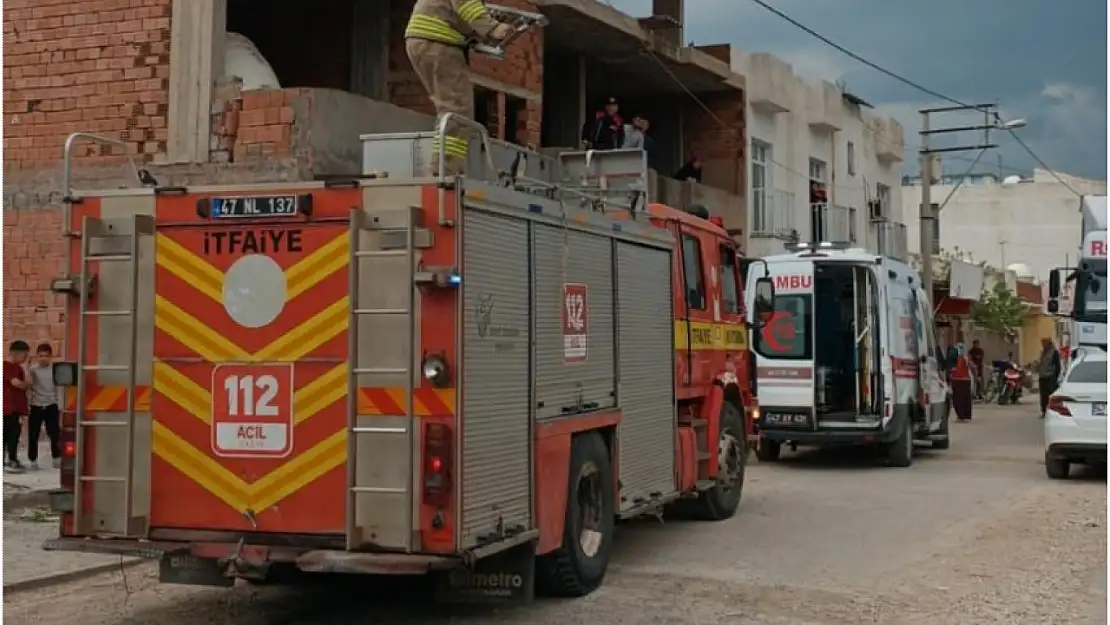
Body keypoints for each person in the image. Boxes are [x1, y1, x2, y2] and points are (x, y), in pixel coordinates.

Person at [405, 0, 514, 175]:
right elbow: (466, 2)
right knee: (458, 111)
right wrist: (491, 27)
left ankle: (442, 169)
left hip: (425, 39)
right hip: (439, 42)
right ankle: (444, 172)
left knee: (448, 108)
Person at [28, 343, 61, 470]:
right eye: (41, 356)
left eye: (46, 356)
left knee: (54, 433)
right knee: (33, 434)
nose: (43, 358)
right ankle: (33, 460)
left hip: (51, 404)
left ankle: (56, 458)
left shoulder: (55, 369)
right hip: (36, 405)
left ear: (51, 356)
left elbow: (59, 387)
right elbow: (29, 385)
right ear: (37, 356)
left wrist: (59, 403)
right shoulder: (33, 369)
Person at [4, 340, 29, 472]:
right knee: (6, 435)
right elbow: (17, 384)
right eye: (24, 355)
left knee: (14, 435)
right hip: (5, 408)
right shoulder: (6, 366)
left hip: (15, 408)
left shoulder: (19, 369)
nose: (25, 358)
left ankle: (12, 459)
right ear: (15, 353)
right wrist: (27, 384)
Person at [1037, 337, 1063, 418]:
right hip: (1042, 377)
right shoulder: (1043, 352)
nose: (1043, 345)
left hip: (1050, 378)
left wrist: (1054, 378)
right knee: (1043, 396)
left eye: (1044, 343)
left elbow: (1057, 367)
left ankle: (1052, 413)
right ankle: (1044, 412)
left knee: (1051, 396)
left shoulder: (1054, 352)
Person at [949, 341, 973, 421]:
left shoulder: (959, 358)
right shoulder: (966, 357)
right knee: (965, 399)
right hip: (965, 380)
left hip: (958, 380)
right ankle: (965, 416)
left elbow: (954, 368)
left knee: (958, 399)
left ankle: (961, 416)